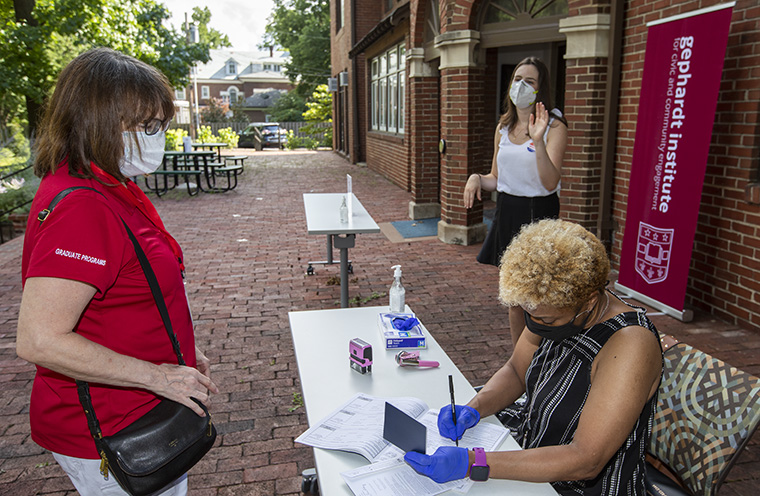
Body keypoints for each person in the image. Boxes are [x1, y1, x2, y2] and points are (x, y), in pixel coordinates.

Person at [16, 48, 218, 496]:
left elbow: (134, 287)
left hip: (138, 410)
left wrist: (183, 347)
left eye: (160, 124)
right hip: (114, 425)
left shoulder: (112, 186)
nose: (157, 136)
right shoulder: (84, 205)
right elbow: (40, 338)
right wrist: (157, 376)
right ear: (98, 122)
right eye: (145, 126)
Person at [404, 219, 663, 496]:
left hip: (579, 484)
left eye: (545, 319)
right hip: (528, 447)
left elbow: (586, 459)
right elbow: (517, 370)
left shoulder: (629, 344)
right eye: (530, 314)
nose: (534, 324)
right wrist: (475, 407)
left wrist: (472, 463)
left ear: (588, 301)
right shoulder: (555, 307)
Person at [463, 57, 568, 344]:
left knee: (536, 299)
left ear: (540, 89)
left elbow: (550, 182)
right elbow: (495, 177)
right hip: (507, 210)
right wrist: (476, 177)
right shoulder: (503, 128)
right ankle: (519, 366)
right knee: (513, 298)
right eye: (517, 79)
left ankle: (543, 357)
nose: (521, 85)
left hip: (538, 212)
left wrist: (539, 140)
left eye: (529, 81)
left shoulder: (554, 126)